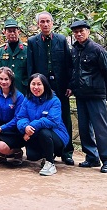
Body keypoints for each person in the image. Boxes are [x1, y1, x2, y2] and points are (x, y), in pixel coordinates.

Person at [27, 11, 74, 165]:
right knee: (41, 116)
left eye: (48, 21)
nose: (45, 24)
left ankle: (67, 152)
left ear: (52, 23)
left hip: (60, 86)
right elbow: (31, 66)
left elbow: (68, 64)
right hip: (40, 87)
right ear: (38, 24)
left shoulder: (61, 40)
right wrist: (32, 86)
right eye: (42, 22)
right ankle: (46, 151)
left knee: (65, 118)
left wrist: (69, 85)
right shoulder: (33, 42)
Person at [69, 19, 107, 173]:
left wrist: (106, 93)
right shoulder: (74, 50)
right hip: (81, 95)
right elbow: (74, 72)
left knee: (101, 128)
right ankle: (91, 157)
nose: (78, 34)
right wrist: (72, 87)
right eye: (76, 32)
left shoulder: (97, 50)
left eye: (81, 31)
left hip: (96, 95)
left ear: (88, 32)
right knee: (84, 128)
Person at [16, 73, 69, 176]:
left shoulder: (54, 101)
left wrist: (32, 126)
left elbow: (53, 121)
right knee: (32, 156)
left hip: (56, 135)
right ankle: (46, 155)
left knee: (44, 132)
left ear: (45, 85)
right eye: (33, 84)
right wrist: (25, 127)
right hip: (35, 134)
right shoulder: (27, 99)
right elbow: (21, 117)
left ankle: (50, 163)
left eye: (39, 84)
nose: (36, 87)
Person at [0, 67, 25, 165]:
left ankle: (17, 152)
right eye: (1, 79)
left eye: (6, 79)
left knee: (3, 147)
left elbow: (17, 118)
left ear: (11, 80)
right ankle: (2, 156)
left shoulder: (19, 96)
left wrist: (0, 128)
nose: (3, 82)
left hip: (14, 130)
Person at [0, 18, 28, 93]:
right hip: (5, 88)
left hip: (22, 88)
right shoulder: (0, 51)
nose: (12, 33)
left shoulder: (27, 49)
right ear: (4, 32)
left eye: (14, 31)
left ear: (18, 31)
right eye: (9, 31)